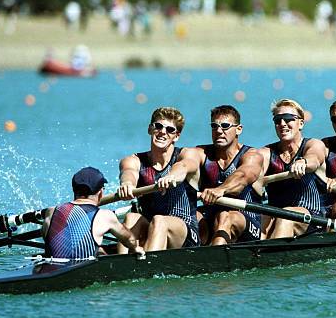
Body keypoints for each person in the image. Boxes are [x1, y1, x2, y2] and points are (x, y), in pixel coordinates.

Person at [117, 107, 201, 253]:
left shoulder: (187, 154)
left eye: (170, 130)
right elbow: (128, 172)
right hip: (151, 228)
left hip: (185, 234)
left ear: (176, 136)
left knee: (159, 220)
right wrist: (127, 185)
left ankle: (146, 267)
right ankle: (119, 267)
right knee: (131, 218)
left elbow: (184, 166)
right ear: (150, 129)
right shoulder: (134, 160)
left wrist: (171, 176)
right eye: (158, 126)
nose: (163, 132)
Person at [197, 105, 264, 245]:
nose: (219, 131)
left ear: (238, 129)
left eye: (225, 126)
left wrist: (221, 189)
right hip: (211, 218)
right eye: (214, 126)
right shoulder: (201, 153)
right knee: (191, 217)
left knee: (225, 216)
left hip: (247, 223)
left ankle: (213, 263)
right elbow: (184, 164)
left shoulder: (251, 155)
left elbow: (242, 176)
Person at [258, 99, 325, 239]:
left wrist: (304, 162)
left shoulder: (313, 144)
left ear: (301, 123)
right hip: (276, 216)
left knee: (286, 216)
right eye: (277, 120)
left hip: (313, 220)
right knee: (261, 216)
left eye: (288, 119)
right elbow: (253, 172)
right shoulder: (266, 152)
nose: (282, 124)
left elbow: (314, 158)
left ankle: (270, 258)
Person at [42, 167, 143, 260]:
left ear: (74, 190)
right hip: (80, 272)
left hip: (48, 270)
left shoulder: (51, 212)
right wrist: (136, 248)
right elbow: (129, 239)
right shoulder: (105, 216)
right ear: (100, 193)